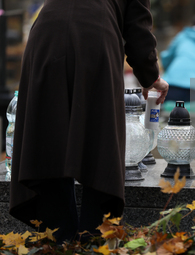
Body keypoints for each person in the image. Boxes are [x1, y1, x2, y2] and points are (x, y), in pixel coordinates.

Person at [9, 0, 168, 243]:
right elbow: (137, 29)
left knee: (50, 128)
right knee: (99, 128)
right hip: (95, 36)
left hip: (46, 32)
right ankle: (95, 235)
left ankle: (59, 235)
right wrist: (151, 77)